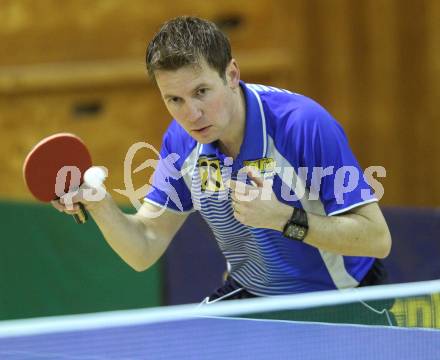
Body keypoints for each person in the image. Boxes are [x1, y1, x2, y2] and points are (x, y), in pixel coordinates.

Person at [52, 16, 392, 302]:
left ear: (231, 75)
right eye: (174, 99)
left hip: (341, 298)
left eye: (201, 92)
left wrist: (285, 218)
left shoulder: (302, 125)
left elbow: (378, 240)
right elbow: (145, 246)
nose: (192, 114)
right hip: (254, 298)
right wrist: (100, 205)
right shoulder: (182, 141)